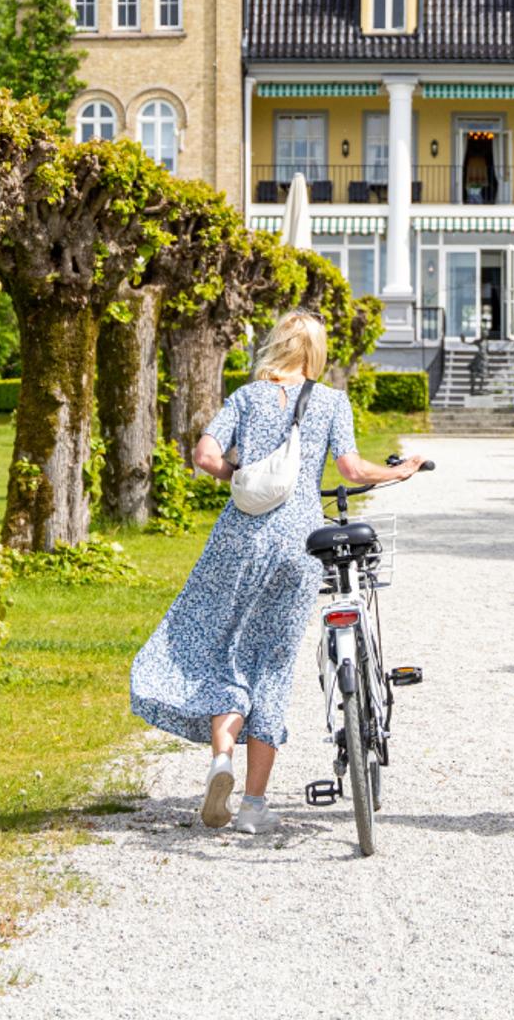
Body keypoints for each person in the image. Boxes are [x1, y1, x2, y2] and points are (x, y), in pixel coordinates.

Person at [127, 309, 426, 834]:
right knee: (272, 665)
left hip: (238, 540)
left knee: (227, 652)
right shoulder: (330, 401)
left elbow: (204, 456)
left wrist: (244, 478)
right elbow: (352, 469)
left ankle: (222, 759)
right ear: (316, 352)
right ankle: (253, 806)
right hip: (299, 542)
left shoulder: (246, 397)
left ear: (276, 345)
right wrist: (399, 472)